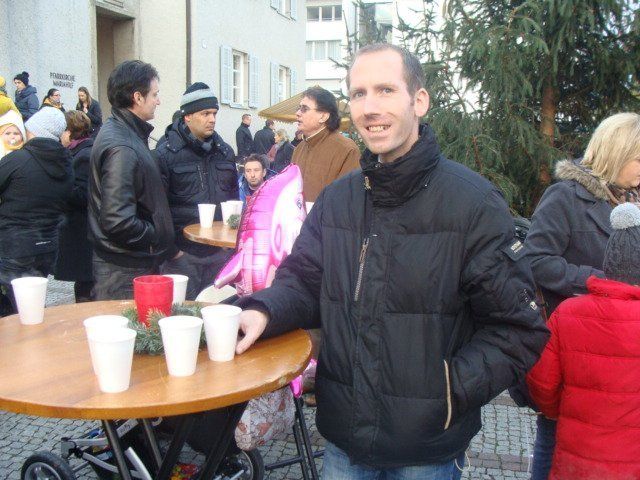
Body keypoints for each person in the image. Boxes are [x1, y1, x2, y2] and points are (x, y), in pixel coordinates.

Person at [235, 43, 548, 478]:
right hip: (344, 441)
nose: (370, 107)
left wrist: (449, 392)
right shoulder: (338, 200)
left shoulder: (472, 204)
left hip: (426, 452)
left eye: (385, 90)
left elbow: (518, 329)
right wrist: (263, 311)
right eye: (358, 93)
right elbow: (304, 281)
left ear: (419, 101)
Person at [524, 111, 640, 480]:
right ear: (617, 153)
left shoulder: (635, 198)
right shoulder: (566, 197)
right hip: (578, 353)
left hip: (626, 359)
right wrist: (599, 281)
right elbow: (534, 261)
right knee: (555, 440)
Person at [88, 60, 176, 300]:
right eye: (154, 94)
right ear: (138, 97)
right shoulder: (122, 146)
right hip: (124, 269)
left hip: (127, 263)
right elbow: (117, 220)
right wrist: (156, 235)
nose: (158, 101)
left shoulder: (127, 134)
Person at [154, 82, 239, 299]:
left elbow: (234, 202)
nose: (212, 119)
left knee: (218, 314)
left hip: (220, 256)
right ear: (187, 117)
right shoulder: (165, 155)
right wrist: (173, 252)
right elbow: (157, 210)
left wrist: (229, 246)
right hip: (182, 257)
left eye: (214, 113)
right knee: (181, 315)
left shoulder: (225, 152)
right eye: (205, 113)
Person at [0, 107, 72, 315]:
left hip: (16, 245)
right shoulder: (66, 163)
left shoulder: (18, 160)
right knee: (31, 304)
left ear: (34, 130)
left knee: (14, 310)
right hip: (48, 244)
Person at [291, 86, 360, 202]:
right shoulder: (299, 149)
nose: (297, 113)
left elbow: (348, 199)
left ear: (323, 116)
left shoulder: (346, 150)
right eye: (299, 108)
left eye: (304, 109)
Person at [54, 111, 95, 302]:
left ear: (70, 132)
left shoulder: (84, 154)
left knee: (85, 283)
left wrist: (58, 186)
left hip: (82, 228)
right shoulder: (79, 151)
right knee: (83, 281)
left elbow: (83, 194)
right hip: (80, 227)